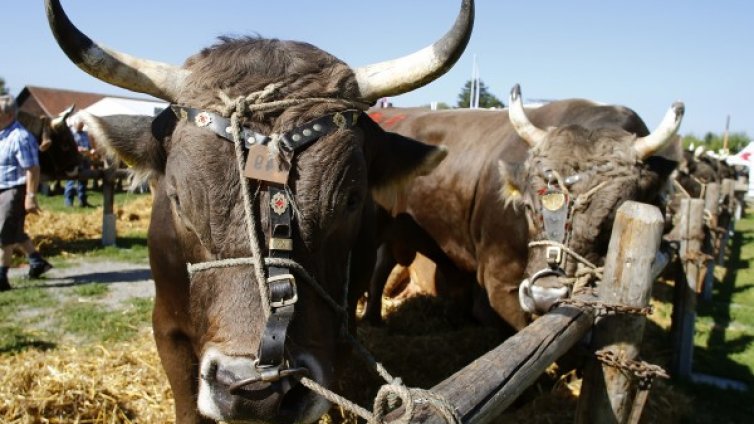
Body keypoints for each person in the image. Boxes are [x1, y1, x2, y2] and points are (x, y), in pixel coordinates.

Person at [0, 95, 53, 291]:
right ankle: (37, 262)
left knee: (3, 233)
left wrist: (30, 196)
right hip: (2, 187)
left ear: (8, 114)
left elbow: (32, 168)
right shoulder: (2, 134)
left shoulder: (20, 137)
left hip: (13, 190)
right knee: (14, 231)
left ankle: (2, 278)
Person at [64, 116, 95, 207]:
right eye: (80, 125)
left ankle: (83, 201)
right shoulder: (70, 134)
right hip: (74, 161)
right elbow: (68, 147)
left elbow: (89, 146)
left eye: (82, 125)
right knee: (71, 181)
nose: (81, 127)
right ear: (74, 124)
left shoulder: (85, 134)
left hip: (85, 160)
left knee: (83, 181)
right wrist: (79, 149)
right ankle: (68, 202)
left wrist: (91, 150)